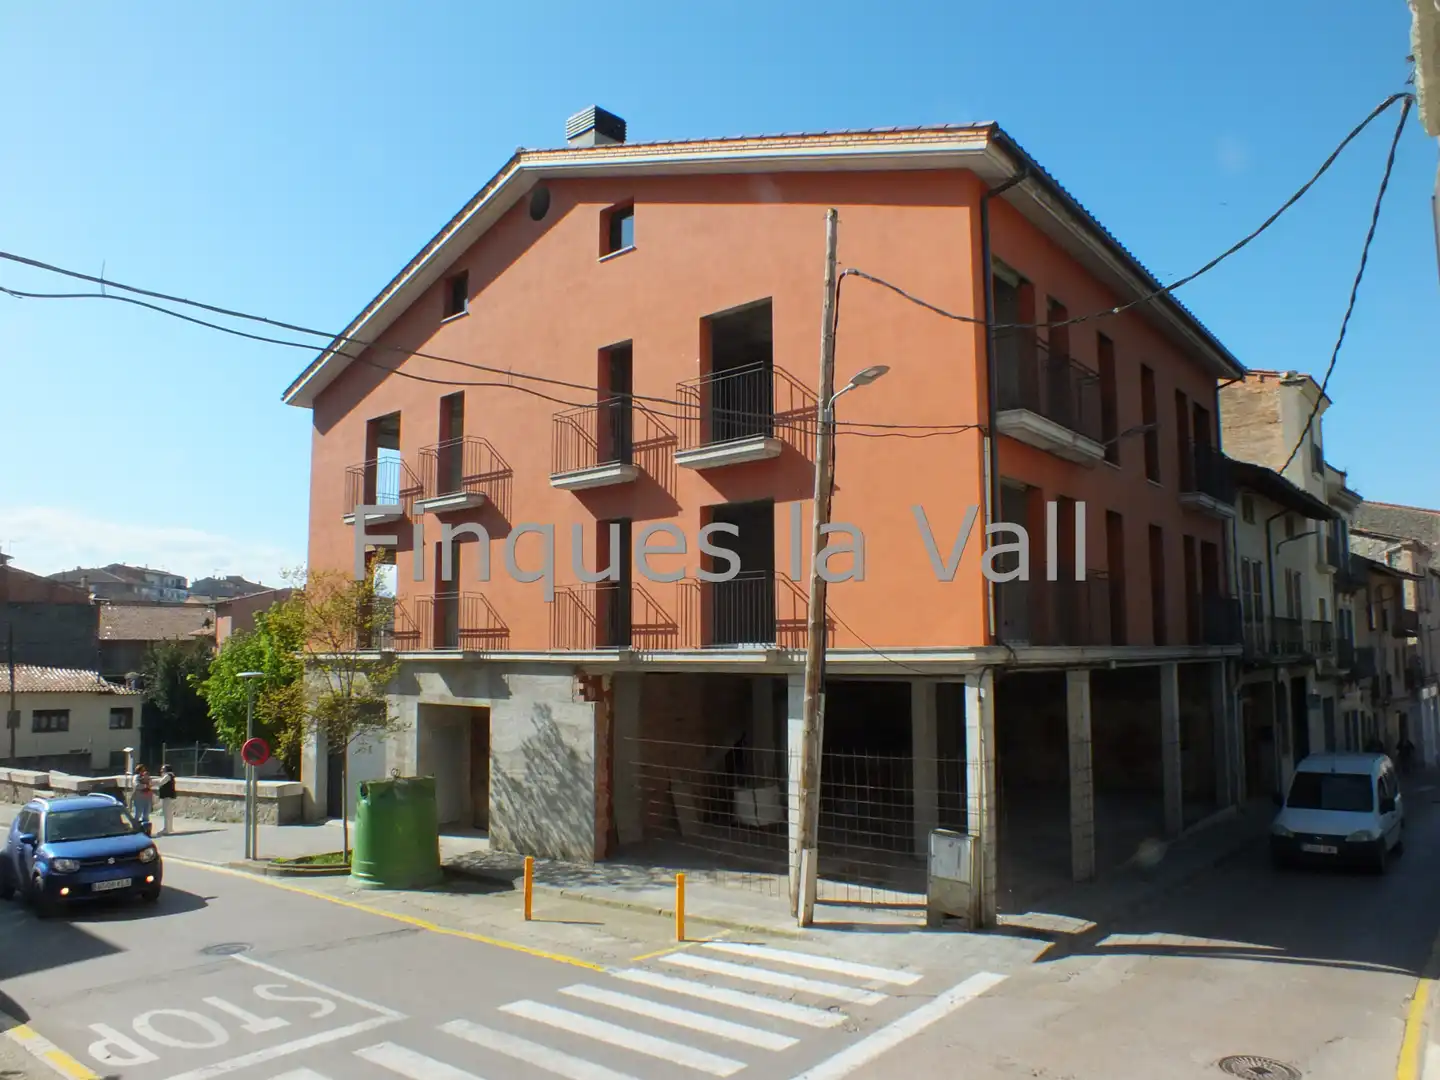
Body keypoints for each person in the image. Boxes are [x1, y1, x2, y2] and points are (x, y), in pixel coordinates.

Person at [132, 766, 154, 835]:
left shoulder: (147, 776)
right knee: (138, 814)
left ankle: (146, 830)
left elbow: (151, 785)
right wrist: (145, 786)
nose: (143, 771)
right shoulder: (136, 777)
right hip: (139, 798)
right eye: (142, 770)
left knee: (146, 814)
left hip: (147, 798)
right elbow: (136, 785)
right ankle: (135, 828)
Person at [157, 764, 177, 836]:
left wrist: (151, 782)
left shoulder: (167, 776)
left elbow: (160, 782)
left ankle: (166, 829)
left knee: (166, 813)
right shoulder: (170, 776)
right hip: (169, 796)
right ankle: (170, 828)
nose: (161, 770)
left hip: (167, 796)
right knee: (169, 813)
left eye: (163, 769)